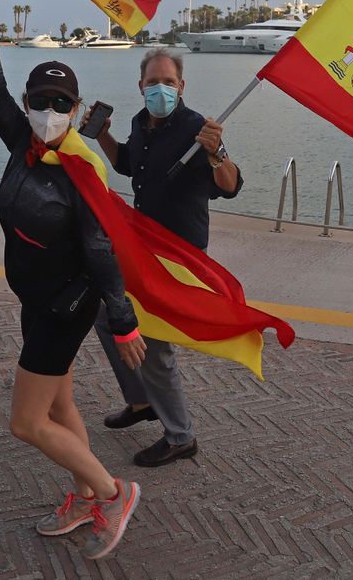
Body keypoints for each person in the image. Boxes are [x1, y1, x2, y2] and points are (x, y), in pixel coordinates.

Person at [0, 0, 145, 561]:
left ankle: (113, 493)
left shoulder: (80, 170)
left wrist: (123, 321)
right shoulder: (23, 143)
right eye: (39, 102)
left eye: (59, 103)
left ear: (76, 107)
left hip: (66, 306)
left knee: (26, 422)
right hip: (36, 299)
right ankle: (84, 496)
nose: (49, 110)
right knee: (61, 404)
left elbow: (101, 250)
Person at [87, 49, 242, 467]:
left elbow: (230, 186)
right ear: (140, 87)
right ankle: (141, 402)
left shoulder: (197, 129)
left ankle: (180, 436)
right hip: (142, 250)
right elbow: (127, 165)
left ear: (182, 87)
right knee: (107, 316)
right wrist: (100, 134)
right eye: (153, 82)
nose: (161, 89)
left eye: (169, 82)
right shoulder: (140, 123)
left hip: (179, 257)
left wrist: (219, 152)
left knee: (154, 343)